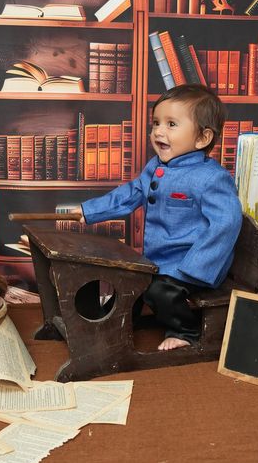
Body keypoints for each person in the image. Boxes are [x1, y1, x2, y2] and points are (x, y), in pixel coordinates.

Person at [70, 84, 243, 351]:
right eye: (156, 123)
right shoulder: (156, 167)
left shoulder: (211, 178)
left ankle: (186, 331)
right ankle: (121, 323)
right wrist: (90, 210)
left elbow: (225, 225)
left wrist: (195, 267)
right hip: (158, 258)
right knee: (131, 281)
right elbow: (131, 193)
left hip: (191, 264)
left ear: (202, 138)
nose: (158, 132)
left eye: (171, 124)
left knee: (160, 291)